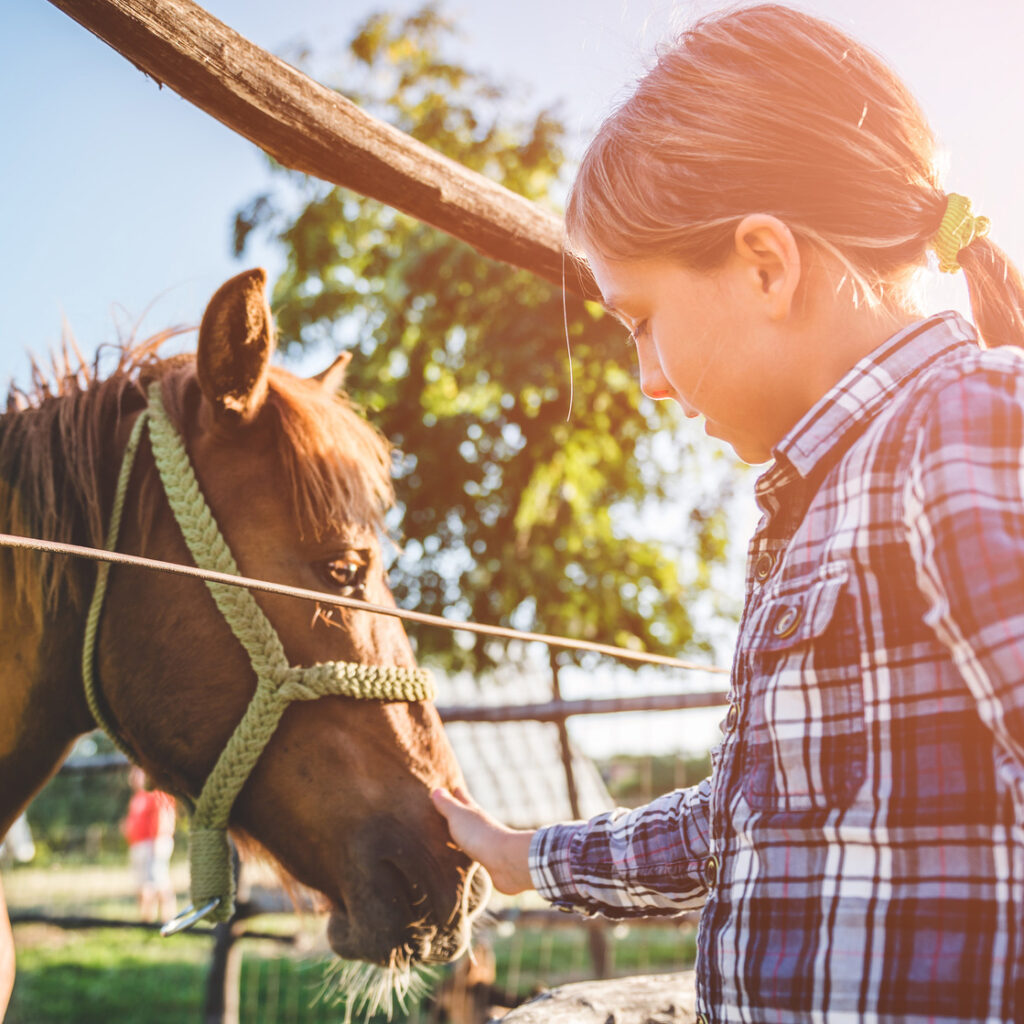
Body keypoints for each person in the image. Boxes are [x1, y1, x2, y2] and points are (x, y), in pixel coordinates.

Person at [432, 4, 1024, 1022]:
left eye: (641, 322)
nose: (647, 378)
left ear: (763, 262)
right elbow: (735, 828)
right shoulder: (820, 503)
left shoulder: (958, 430)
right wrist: (524, 855)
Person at [122, 766, 176, 923]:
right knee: (145, 883)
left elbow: (163, 817)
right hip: (139, 844)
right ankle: (147, 918)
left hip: (153, 844)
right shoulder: (138, 796)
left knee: (158, 881)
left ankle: (167, 917)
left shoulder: (156, 793)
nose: (133, 776)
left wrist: (159, 840)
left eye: (138, 772)